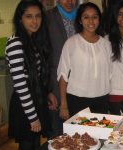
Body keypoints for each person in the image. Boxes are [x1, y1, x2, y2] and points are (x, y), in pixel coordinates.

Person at [5, 1, 50, 149]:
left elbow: (37, 76)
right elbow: (21, 85)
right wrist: (33, 118)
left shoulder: (32, 41)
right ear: (20, 19)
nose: (35, 21)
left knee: (35, 144)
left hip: (34, 100)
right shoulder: (16, 43)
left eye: (38, 16)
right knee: (27, 145)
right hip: (25, 106)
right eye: (29, 16)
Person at [57, 2, 111, 120]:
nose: (91, 21)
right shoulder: (71, 43)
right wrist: (64, 105)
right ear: (80, 20)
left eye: (94, 17)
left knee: (101, 136)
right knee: (79, 137)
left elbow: (111, 75)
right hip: (77, 101)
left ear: (99, 19)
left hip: (102, 100)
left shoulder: (106, 44)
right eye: (86, 17)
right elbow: (62, 75)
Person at [46, 0, 78, 137]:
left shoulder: (83, 16)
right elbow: (43, 57)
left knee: (79, 129)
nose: (70, 2)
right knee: (58, 132)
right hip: (56, 85)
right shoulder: (47, 18)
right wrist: (48, 90)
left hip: (80, 84)